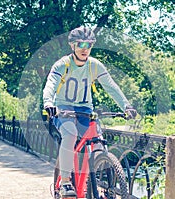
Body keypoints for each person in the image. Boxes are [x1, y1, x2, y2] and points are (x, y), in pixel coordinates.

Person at [43, 26, 137, 198]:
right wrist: (49, 103)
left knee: (98, 142)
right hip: (63, 109)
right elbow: (50, 85)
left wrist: (126, 106)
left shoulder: (95, 65)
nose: (85, 48)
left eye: (89, 44)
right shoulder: (62, 64)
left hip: (86, 109)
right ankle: (65, 182)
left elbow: (111, 87)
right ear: (72, 45)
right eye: (81, 44)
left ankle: (102, 184)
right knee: (70, 135)